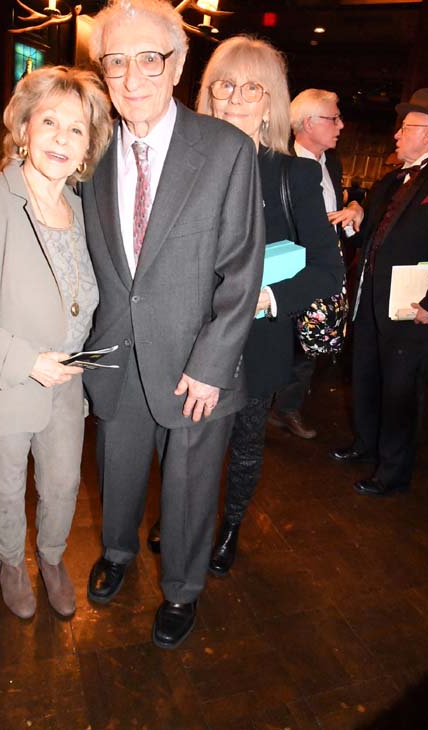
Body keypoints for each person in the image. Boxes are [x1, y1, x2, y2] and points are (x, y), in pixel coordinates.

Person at [82, 0, 264, 649]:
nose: (132, 79)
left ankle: (182, 588)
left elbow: (242, 269)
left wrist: (213, 365)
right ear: (103, 71)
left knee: (188, 488)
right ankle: (117, 551)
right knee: (118, 466)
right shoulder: (94, 149)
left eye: (148, 60)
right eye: (116, 63)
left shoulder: (225, 150)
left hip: (195, 363)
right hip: (116, 354)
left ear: (179, 63)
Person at [149, 35, 343, 575]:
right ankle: (181, 512)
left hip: (256, 337)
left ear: (271, 100)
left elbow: (328, 270)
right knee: (179, 430)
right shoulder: (177, 164)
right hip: (186, 331)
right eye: (224, 85)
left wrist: (269, 296)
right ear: (206, 93)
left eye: (251, 87)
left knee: (244, 441)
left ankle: (230, 523)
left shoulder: (293, 174)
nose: (234, 98)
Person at [0, 66, 112, 619]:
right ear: (24, 129)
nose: (62, 138)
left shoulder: (85, 211)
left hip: (67, 383)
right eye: (50, 122)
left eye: (77, 129)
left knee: (62, 486)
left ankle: (53, 558)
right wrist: (27, 360)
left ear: (87, 148)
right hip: (3, 380)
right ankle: (12, 563)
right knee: (7, 490)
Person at [330, 87, 428, 496]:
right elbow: (370, 231)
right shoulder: (390, 180)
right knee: (367, 376)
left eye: (405, 128)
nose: (396, 136)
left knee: (401, 391)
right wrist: (356, 215)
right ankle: (366, 444)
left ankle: (393, 471)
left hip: (411, 307)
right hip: (371, 299)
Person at [269, 89, 363, 440]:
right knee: (282, 339)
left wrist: (353, 210)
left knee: (311, 344)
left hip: (322, 268)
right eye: (333, 118)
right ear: (308, 123)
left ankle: (286, 406)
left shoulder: (332, 164)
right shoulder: (279, 160)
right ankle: (269, 403)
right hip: (285, 267)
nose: (341, 125)